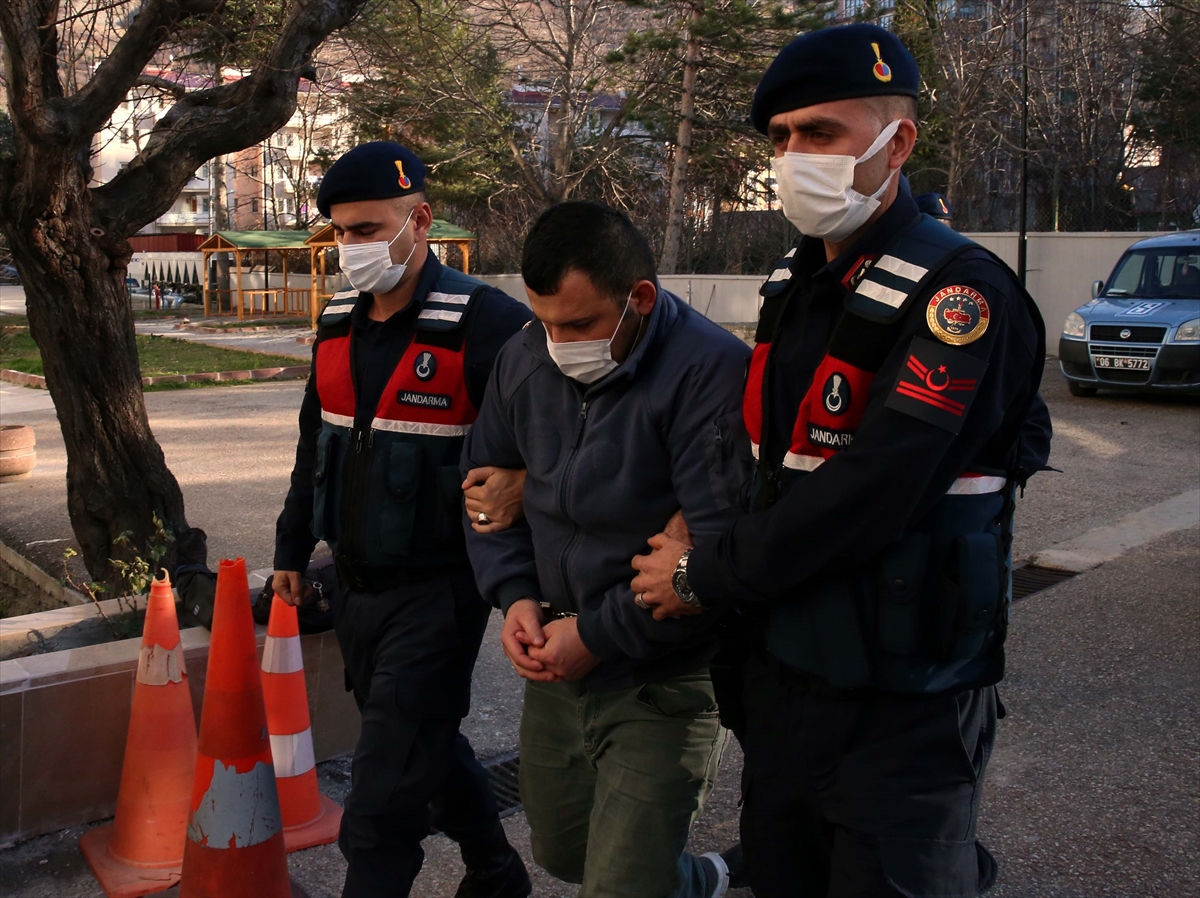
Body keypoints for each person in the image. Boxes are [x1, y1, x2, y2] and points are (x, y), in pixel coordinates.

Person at [631, 24, 1052, 897]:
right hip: (786, 677)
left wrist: (706, 572)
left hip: (902, 694)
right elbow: (773, 459)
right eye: (781, 138)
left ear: (896, 142)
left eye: (820, 133)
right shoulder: (798, 285)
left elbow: (877, 490)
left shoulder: (959, 294)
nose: (793, 156)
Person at [461, 201, 751, 898]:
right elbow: (482, 493)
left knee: (620, 885)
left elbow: (711, 558)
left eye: (582, 325)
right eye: (545, 321)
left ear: (640, 299)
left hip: (663, 676)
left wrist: (595, 633)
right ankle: (697, 880)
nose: (559, 342)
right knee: (568, 854)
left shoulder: (709, 370)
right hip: (558, 668)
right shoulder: (524, 356)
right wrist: (516, 598)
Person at [272, 141, 533, 898]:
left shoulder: (486, 321)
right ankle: (495, 869)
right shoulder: (338, 322)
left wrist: (520, 479)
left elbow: (553, 429)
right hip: (353, 587)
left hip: (439, 592)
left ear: (419, 219)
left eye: (367, 228)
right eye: (342, 233)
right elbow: (311, 445)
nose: (352, 247)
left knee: (380, 803)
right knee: (425, 743)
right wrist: (292, 546)